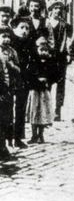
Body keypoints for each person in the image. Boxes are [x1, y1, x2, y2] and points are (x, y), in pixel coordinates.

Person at [26, 36, 57, 144]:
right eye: (41, 50)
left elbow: (55, 75)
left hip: (44, 92)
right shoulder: (33, 61)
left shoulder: (50, 62)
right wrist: (37, 80)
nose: (43, 52)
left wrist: (48, 80)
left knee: (43, 112)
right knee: (34, 111)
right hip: (35, 90)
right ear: (37, 49)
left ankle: (41, 134)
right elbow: (28, 75)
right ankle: (34, 134)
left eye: (45, 50)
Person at [11, 15, 35, 149]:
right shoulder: (10, 43)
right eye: (21, 27)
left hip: (24, 79)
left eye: (27, 28)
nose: (25, 31)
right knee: (7, 109)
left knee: (21, 108)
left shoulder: (30, 43)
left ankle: (18, 137)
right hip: (10, 79)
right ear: (14, 29)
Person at [46, 1, 72, 121]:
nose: (57, 11)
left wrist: (68, 53)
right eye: (55, 8)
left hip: (61, 57)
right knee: (47, 83)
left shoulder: (65, 24)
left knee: (61, 84)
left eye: (59, 8)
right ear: (51, 9)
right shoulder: (46, 23)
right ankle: (47, 109)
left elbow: (69, 39)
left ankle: (58, 111)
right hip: (48, 57)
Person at [0, 27, 20, 159]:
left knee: (7, 118)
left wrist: (13, 66)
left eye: (8, 37)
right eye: (3, 36)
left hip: (8, 89)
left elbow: (18, 69)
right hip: (1, 88)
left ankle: (6, 145)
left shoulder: (12, 52)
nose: (6, 39)